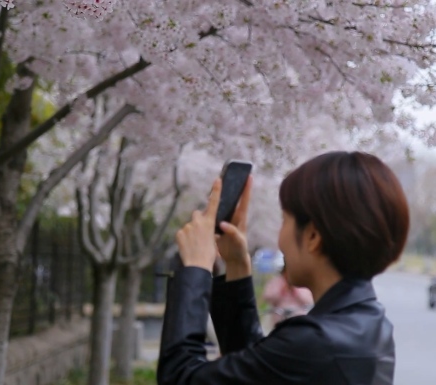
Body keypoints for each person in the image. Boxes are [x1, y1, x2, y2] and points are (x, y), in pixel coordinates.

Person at [157, 151, 409, 385]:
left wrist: (196, 268)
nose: (280, 240)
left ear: (312, 236)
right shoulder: (368, 323)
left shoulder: (318, 343)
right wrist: (236, 266)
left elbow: (179, 376)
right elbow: (260, 368)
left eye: (285, 220)